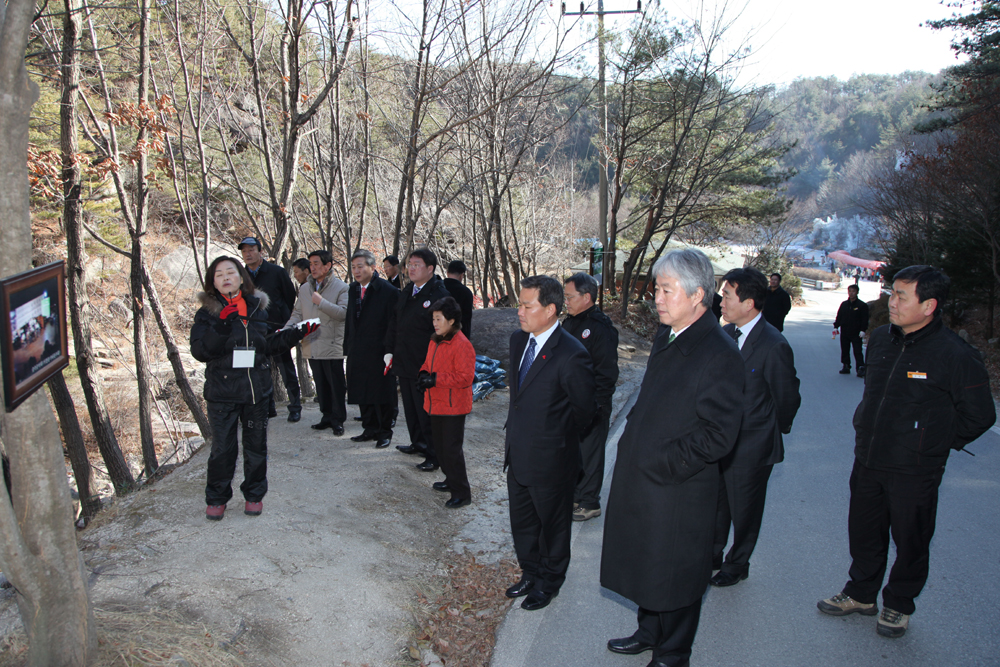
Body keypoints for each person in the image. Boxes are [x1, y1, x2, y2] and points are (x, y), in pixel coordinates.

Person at [818, 265, 996, 639]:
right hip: (868, 457)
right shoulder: (881, 338)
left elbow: (980, 415)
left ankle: (898, 604)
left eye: (901, 296)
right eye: (892, 293)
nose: (891, 302)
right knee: (863, 532)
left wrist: (932, 443)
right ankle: (861, 594)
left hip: (915, 469)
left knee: (911, 540)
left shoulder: (955, 355)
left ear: (929, 305)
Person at [601, 248, 743, 667]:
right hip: (644, 477)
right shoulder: (669, 334)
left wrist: (665, 462)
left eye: (666, 290)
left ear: (698, 295)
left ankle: (673, 652)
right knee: (647, 561)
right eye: (657, 288)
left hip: (678, 486)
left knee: (676, 572)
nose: (657, 298)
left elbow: (719, 435)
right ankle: (649, 631)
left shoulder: (719, 353)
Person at [190, 256, 314, 520]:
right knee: (223, 449)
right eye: (219, 274)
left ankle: (254, 495)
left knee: (256, 447)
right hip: (223, 393)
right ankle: (217, 497)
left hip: (256, 392)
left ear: (241, 278)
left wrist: (296, 333)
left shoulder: (258, 308)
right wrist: (223, 324)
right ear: (213, 282)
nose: (225, 277)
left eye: (230, 272)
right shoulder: (206, 313)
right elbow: (200, 351)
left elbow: (268, 346)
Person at [503, 275, 595, 612]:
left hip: (553, 459)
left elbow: (585, 411)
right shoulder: (518, 341)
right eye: (520, 304)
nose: (520, 312)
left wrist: (555, 438)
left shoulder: (572, 354)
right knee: (523, 522)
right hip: (518, 452)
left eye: (527, 306)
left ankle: (550, 582)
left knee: (553, 527)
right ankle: (531, 572)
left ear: (551, 310)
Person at [712, 267, 800, 588]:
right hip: (718, 441)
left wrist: (770, 432)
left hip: (751, 444)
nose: (721, 302)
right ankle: (713, 552)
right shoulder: (723, 335)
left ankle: (738, 563)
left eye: (727, 296)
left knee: (745, 509)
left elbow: (787, 396)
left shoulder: (773, 344)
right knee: (717, 502)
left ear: (749, 303)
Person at [386, 249, 450, 471]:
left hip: (425, 365)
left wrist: (436, 367)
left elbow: (446, 335)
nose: (411, 268)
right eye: (409, 264)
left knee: (428, 412)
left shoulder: (439, 295)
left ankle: (434, 454)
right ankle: (418, 443)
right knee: (411, 408)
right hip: (404, 360)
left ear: (430, 269)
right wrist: (389, 350)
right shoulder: (407, 292)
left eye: (416, 264)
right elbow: (395, 323)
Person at [562, 272, 619, 522]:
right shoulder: (570, 322)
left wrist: (597, 404)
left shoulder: (599, 327)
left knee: (591, 452)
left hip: (593, 403)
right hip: (569, 402)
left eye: (570, 297)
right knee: (574, 452)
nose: (566, 301)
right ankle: (574, 495)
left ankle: (589, 502)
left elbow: (607, 372)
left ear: (586, 297)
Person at [417, 296, 476, 508]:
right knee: (440, 449)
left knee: (451, 450)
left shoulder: (462, 344)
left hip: (453, 406)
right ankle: (451, 479)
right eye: (433, 318)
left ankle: (462, 492)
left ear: (451, 320)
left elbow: (465, 378)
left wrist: (436, 379)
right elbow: (427, 362)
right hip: (436, 403)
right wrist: (424, 374)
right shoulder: (435, 340)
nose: (434, 323)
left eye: (438, 318)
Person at [284, 250, 349, 435]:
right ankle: (326, 417)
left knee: (335, 385)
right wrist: (287, 329)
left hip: (331, 345)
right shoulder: (304, 288)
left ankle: (338, 420)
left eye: (316, 263)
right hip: (311, 342)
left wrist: (321, 302)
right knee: (320, 384)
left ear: (328, 266)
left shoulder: (342, 287)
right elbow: (297, 313)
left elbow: (343, 313)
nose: (312, 267)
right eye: (310, 264)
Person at [239, 237, 301, 422]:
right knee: (253, 370)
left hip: (276, 328)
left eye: (251, 249)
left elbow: (290, 297)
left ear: (260, 251)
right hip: (249, 331)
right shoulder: (239, 275)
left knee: (286, 368)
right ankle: (267, 407)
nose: (248, 254)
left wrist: (283, 321)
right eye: (244, 251)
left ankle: (295, 407)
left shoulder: (277, 272)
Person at [344, 250, 399, 449]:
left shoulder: (388, 291)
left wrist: (390, 350)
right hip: (357, 348)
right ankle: (369, 428)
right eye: (353, 267)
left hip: (379, 349)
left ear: (372, 267)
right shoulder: (352, 289)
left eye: (360, 267)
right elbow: (350, 320)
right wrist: (347, 345)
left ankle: (385, 431)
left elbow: (394, 324)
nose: (356, 271)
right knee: (361, 388)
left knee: (382, 391)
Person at [834, 284, 870, 377]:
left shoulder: (862, 305)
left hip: (856, 332)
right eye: (850, 291)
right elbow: (839, 316)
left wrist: (863, 330)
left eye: (853, 291)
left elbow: (864, 319)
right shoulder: (844, 304)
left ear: (857, 292)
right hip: (845, 331)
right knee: (845, 349)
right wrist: (836, 327)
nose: (851, 293)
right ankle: (846, 366)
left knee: (857, 350)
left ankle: (860, 368)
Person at [443, 260, 474, 336]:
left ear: (447, 273)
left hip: (437, 335)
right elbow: (466, 319)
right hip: (458, 336)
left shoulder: (438, 288)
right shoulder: (466, 292)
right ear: (461, 275)